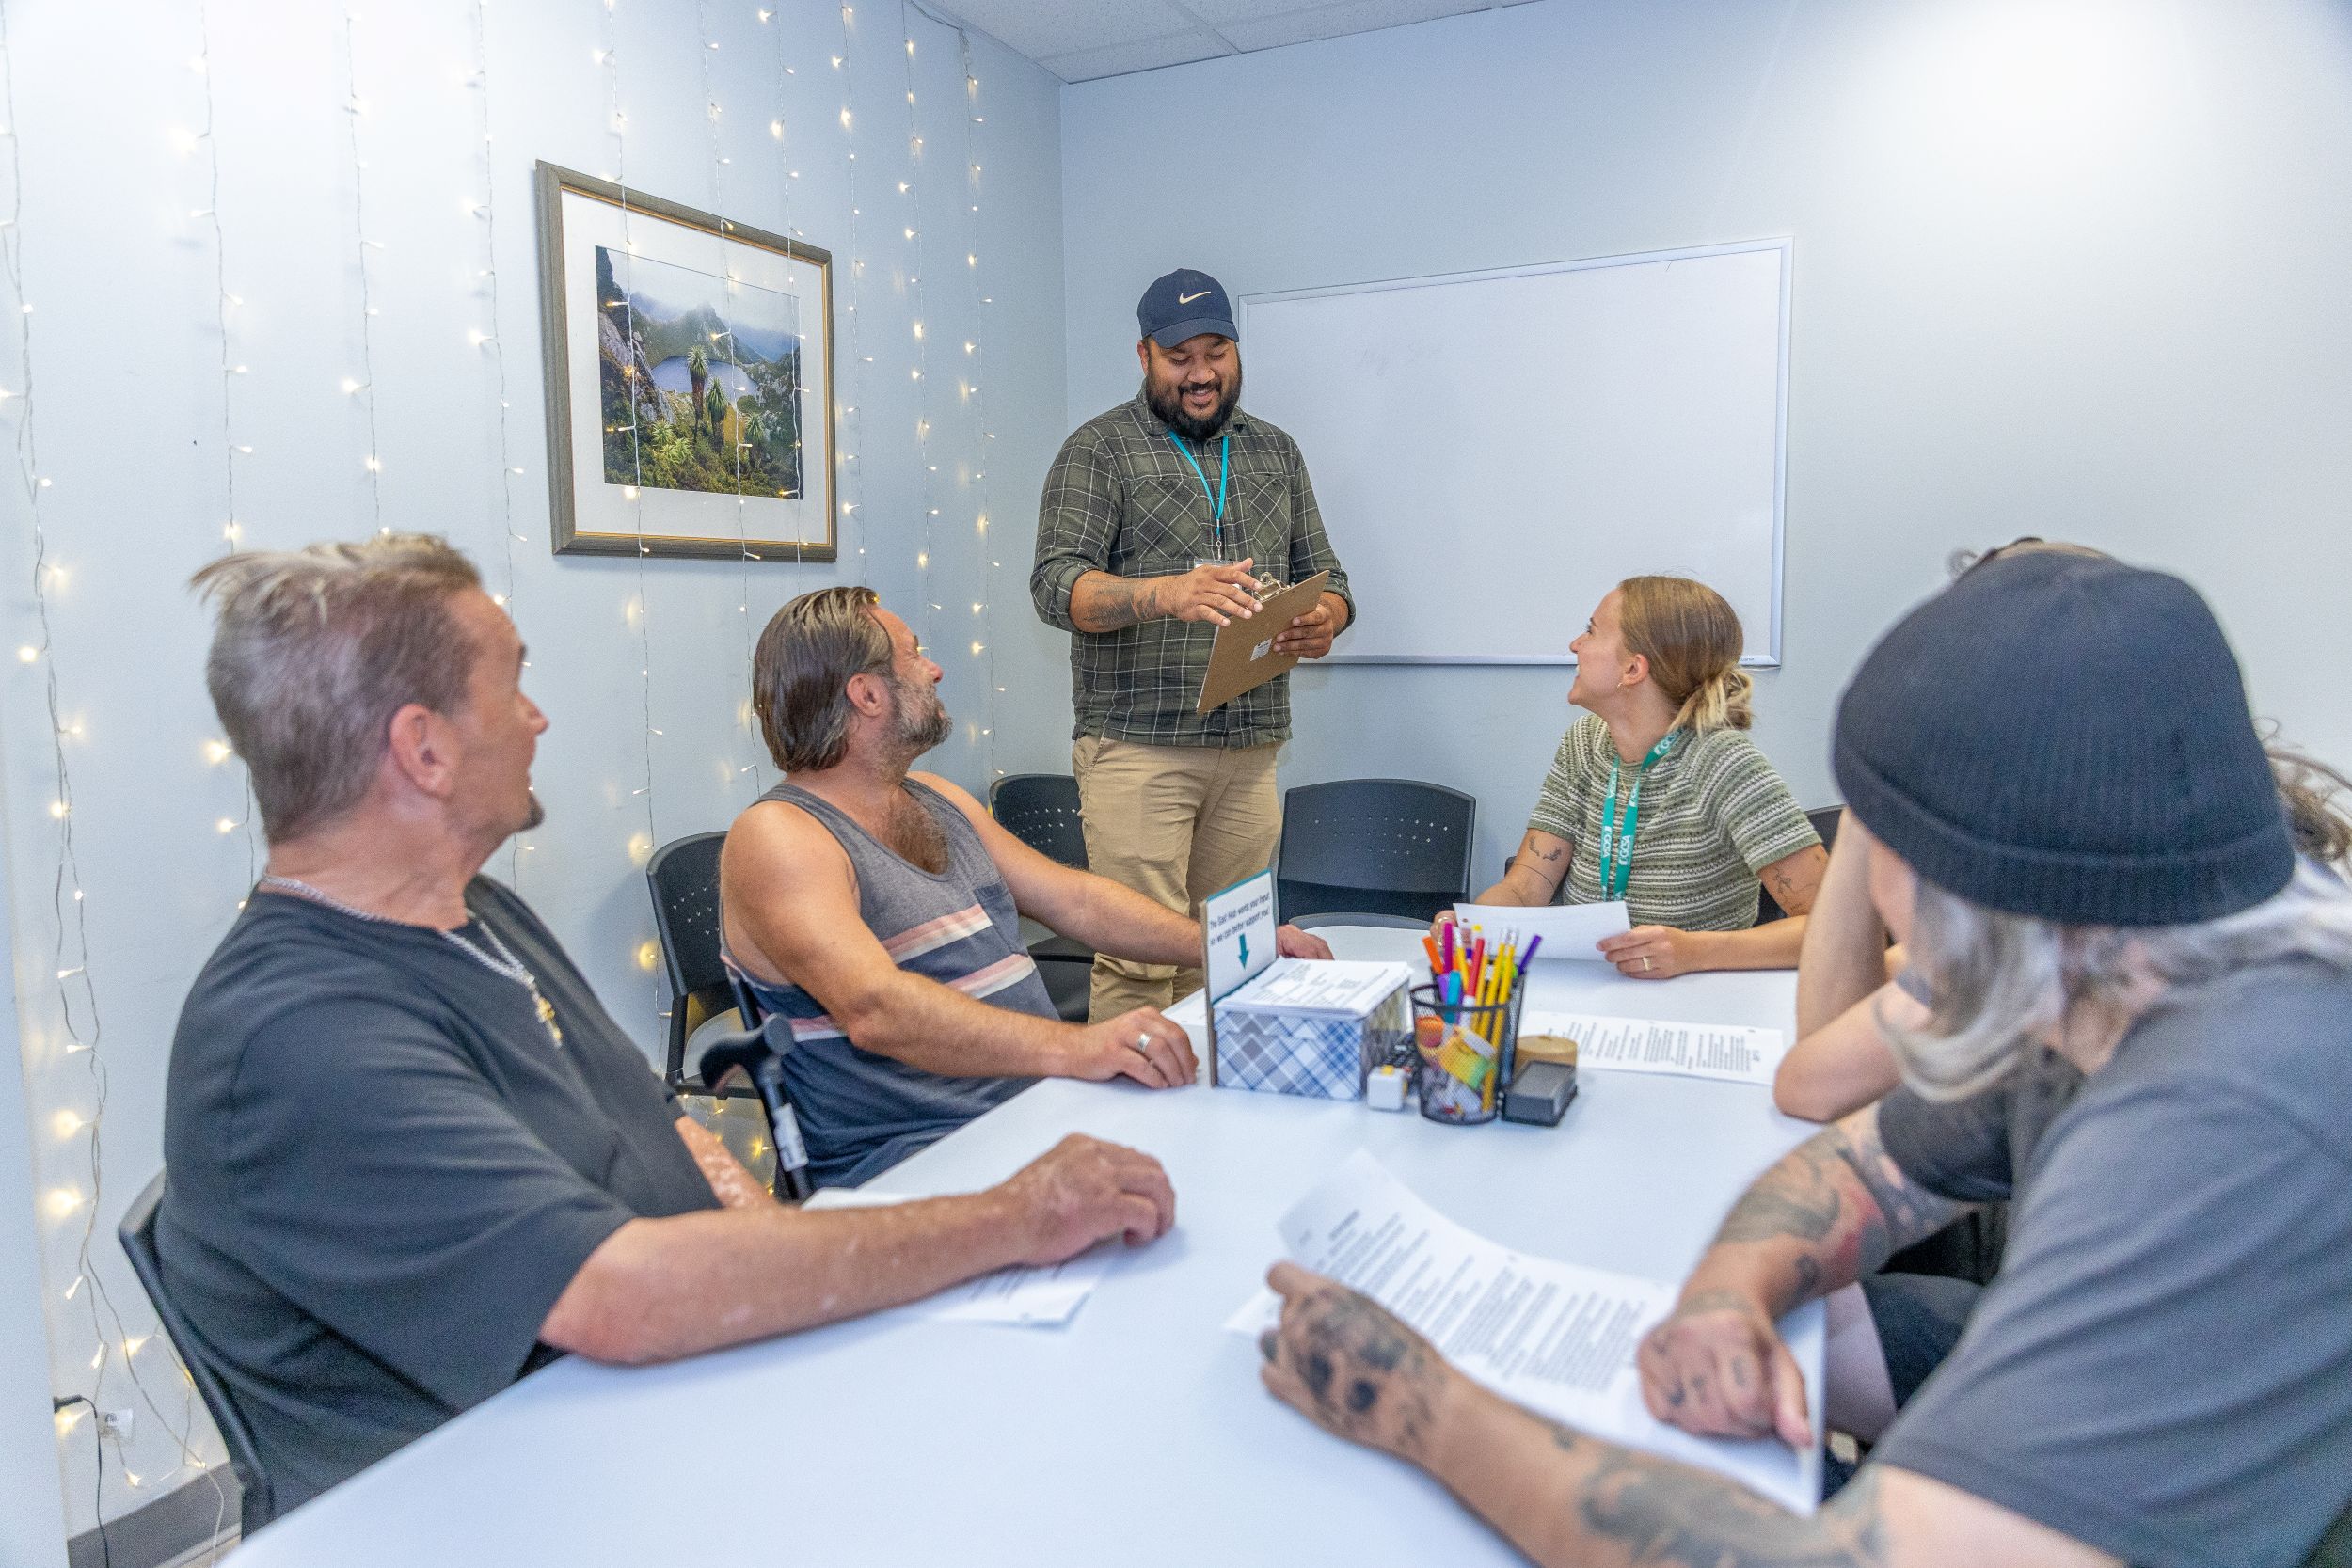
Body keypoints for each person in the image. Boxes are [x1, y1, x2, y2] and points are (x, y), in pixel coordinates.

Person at [1255, 550, 2352, 1567]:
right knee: (1744, 1336)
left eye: (1885, 840)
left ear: (1962, 879)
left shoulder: (2228, 1116)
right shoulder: (2109, 966)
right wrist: (1724, 1293)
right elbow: (1850, 1166)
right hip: (2123, 1411)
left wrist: (1424, 1408)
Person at [161, 537, 1179, 1513]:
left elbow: (666, 1130)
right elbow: (616, 1294)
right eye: (511, 685)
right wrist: (1014, 1217)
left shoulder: (480, 919)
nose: (538, 718)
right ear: (423, 749)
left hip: (627, 1415)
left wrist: (788, 1252)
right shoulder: (301, 1033)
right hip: (494, 1495)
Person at [722, 585, 1330, 1188]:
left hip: (1035, 1116)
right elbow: (877, 1010)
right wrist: (1081, 1048)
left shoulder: (938, 798)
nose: (935, 669)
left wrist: (1229, 943)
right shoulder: (780, 837)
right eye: (915, 654)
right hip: (917, 1160)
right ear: (868, 693)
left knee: (1268, 1142)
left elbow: (1079, 900)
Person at [1030, 266, 1354, 1022]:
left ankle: (1213, 1122)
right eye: (1181, 358)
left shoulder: (1276, 452)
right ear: (1144, 355)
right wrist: (1162, 593)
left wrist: (1325, 617)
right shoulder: (1098, 451)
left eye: (1217, 352)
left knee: (1234, 957)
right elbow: (1054, 585)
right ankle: (1131, 1125)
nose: (1202, 374)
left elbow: (1329, 575)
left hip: (1251, 747)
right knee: (1143, 962)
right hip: (1139, 748)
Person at [1463, 575, 1826, 977]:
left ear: (1633, 669)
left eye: (1591, 631)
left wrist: (1693, 952)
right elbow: (1525, 886)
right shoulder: (1583, 744)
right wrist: (1473, 927)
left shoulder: (1725, 764)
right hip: (1587, 988)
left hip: (1693, 1002)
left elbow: (1832, 927)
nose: (1575, 645)